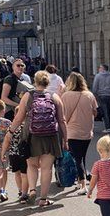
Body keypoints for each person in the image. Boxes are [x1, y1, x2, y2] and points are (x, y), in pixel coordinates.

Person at [8, 70, 67, 207]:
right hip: (50, 136)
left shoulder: (28, 96)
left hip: (30, 135)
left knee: (32, 165)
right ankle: (43, 199)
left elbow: (19, 117)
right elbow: (62, 120)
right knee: (46, 168)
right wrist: (66, 139)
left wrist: (10, 131)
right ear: (47, 82)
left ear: (35, 81)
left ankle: (33, 189)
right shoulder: (55, 97)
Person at [61, 71, 98, 194]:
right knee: (82, 157)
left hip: (72, 131)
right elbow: (95, 113)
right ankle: (81, 179)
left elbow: (62, 114)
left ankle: (83, 185)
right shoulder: (89, 95)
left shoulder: (66, 96)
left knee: (77, 158)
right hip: (87, 131)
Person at [91, 64, 110, 129]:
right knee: (108, 110)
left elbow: (95, 87)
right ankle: (108, 125)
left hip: (101, 95)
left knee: (104, 111)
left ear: (103, 69)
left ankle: (107, 127)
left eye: (100, 68)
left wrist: (94, 95)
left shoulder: (98, 76)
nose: (99, 69)